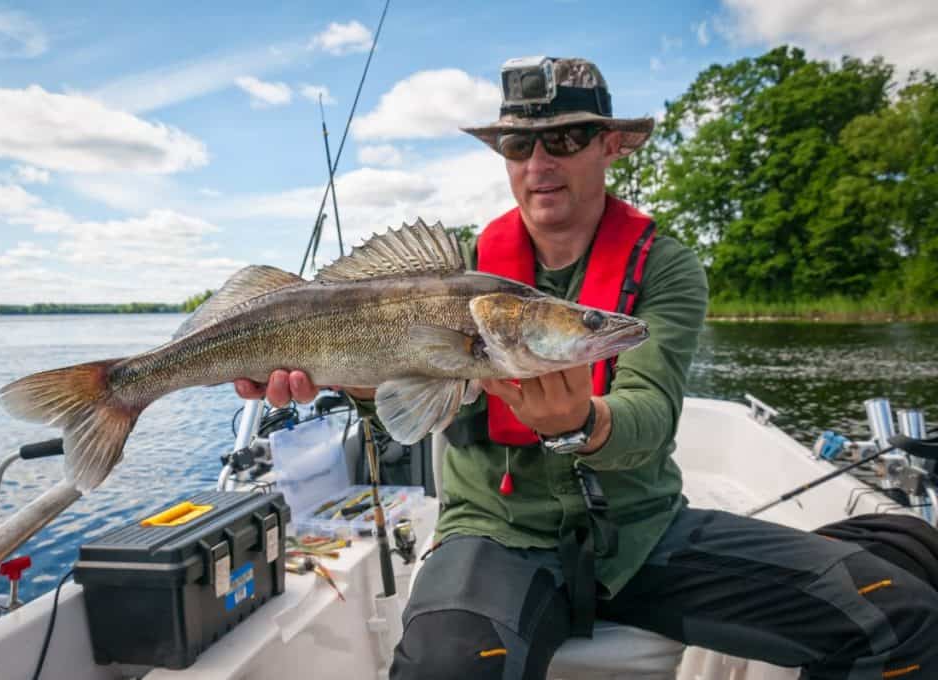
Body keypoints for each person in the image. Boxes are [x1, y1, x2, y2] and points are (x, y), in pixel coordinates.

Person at [236, 57, 938, 680]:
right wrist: (353, 378)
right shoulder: (461, 279)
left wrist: (581, 423)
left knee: (902, 617)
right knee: (445, 667)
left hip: (643, 532)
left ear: (610, 146)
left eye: (565, 140)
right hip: (496, 531)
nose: (539, 163)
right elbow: (423, 403)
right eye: (519, 144)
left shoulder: (666, 267)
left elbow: (651, 414)